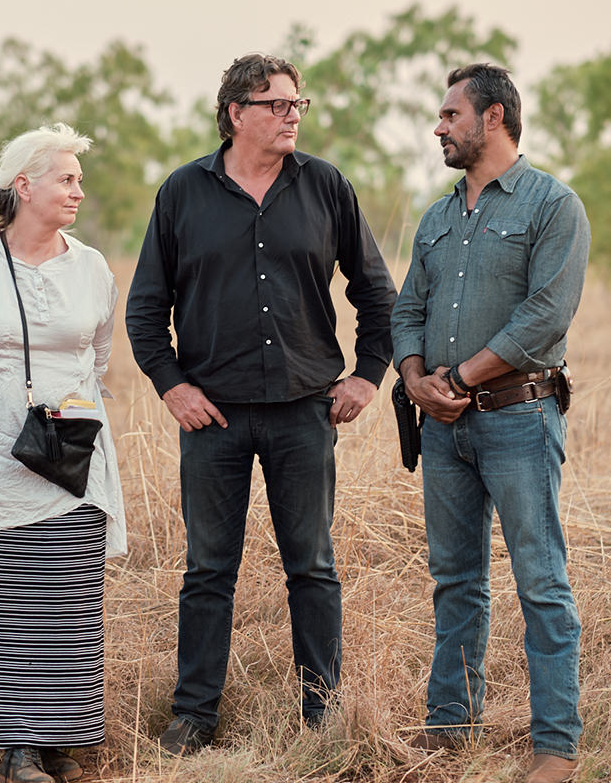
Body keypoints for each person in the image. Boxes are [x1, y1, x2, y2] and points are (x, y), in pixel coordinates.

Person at [125, 53, 397, 754]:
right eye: (276, 104)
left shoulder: (327, 186)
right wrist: (172, 385)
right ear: (235, 113)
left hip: (307, 412)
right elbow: (146, 309)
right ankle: (194, 717)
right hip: (212, 416)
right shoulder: (183, 193)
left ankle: (324, 713)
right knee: (208, 570)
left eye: (297, 104)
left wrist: (367, 375)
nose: (292, 115)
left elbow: (375, 292)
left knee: (312, 565)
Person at [390, 64, 590, 783]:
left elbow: (545, 318)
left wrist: (458, 380)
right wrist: (416, 381)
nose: (438, 128)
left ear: (494, 117)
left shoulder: (551, 205)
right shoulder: (439, 217)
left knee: (540, 581)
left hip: (518, 421)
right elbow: (407, 307)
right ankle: (449, 728)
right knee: (455, 579)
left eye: (450, 115)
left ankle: (555, 748)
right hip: (443, 431)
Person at [0, 123, 126, 783]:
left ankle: (59, 742)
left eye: (79, 180)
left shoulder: (92, 267)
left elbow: (98, 358)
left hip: (70, 449)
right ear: (24, 186)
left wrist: (54, 414)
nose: (79, 190)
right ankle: (17, 750)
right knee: (1, 601)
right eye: (67, 179)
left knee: (64, 603)